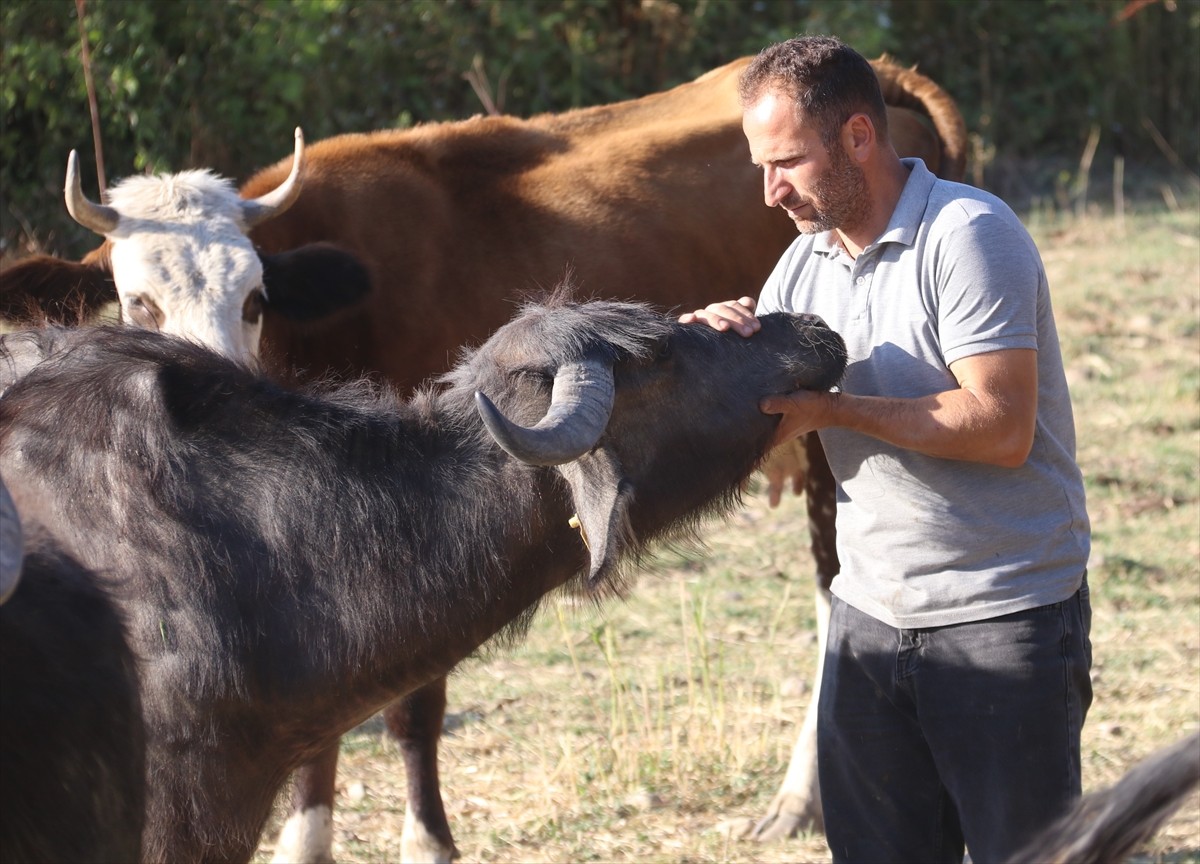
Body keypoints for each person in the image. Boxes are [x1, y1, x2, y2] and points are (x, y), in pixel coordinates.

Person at [681, 35, 1092, 864]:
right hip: (868, 623)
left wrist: (835, 409)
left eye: (788, 162)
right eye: (763, 166)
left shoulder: (968, 235)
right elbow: (775, 444)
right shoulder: (802, 266)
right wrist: (709, 361)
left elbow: (1002, 427)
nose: (770, 192)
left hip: (1001, 618)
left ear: (860, 138)